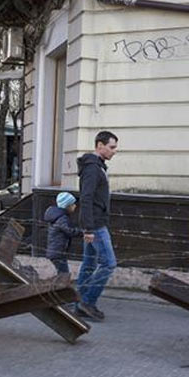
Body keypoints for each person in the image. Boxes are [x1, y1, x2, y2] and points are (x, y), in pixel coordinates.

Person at [75, 131, 119, 321]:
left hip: (95, 223)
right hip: (95, 225)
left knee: (89, 264)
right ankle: (88, 302)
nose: (114, 151)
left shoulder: (97, 166)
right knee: (109, 264)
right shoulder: (93, 167)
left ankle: (78, 303)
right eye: (112, 147)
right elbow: (86, 198)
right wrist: (89, 229)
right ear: (100, 145)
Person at [44, 192, 82, 274]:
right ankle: (59, 286)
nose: (75, 206)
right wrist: (82, 232)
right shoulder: (62, 218)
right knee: (64, 274)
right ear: (67, 206)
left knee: (62, 273)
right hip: (58, 252)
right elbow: (69, 231)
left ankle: (59, 285)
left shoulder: (58, 216)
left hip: (57, 251)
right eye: (73, 204)